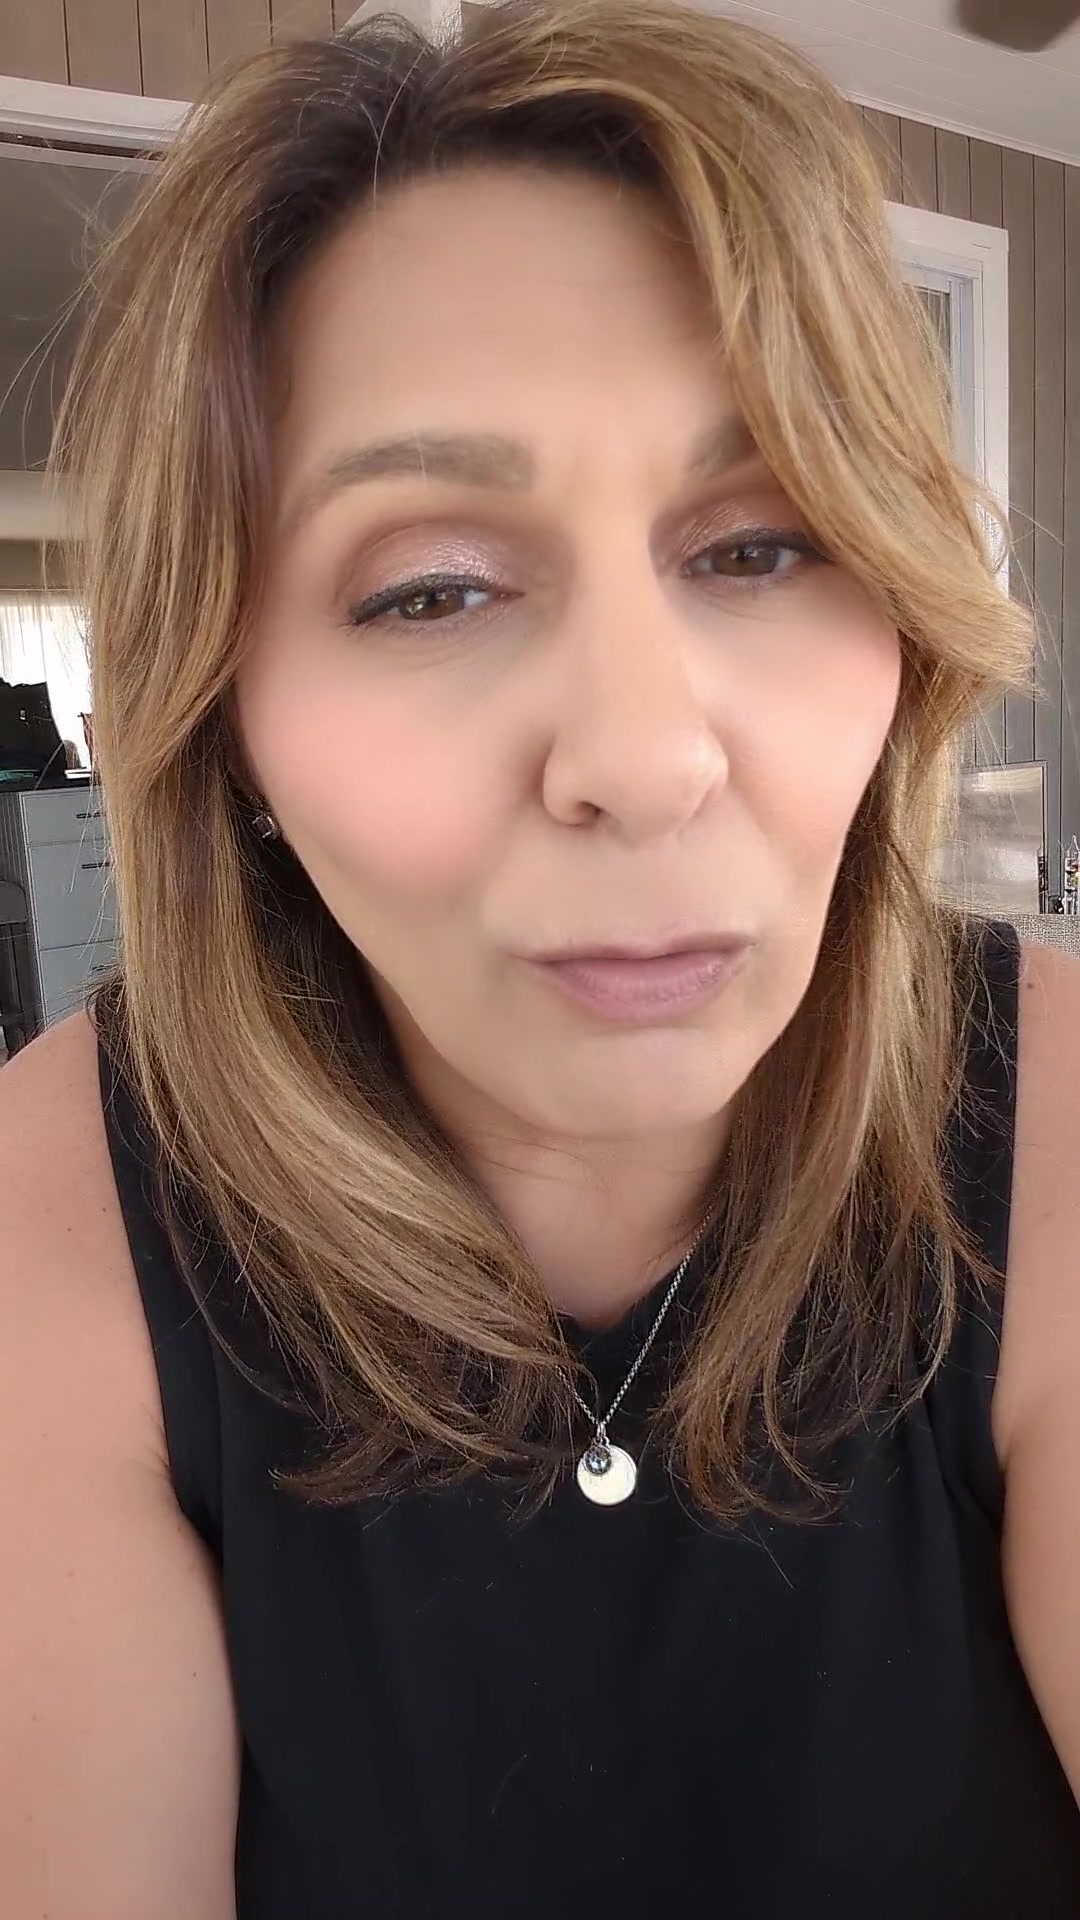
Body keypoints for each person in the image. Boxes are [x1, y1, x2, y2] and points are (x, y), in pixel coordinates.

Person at [4, 2, 1080, 1913]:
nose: (646, 760)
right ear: (226, 723)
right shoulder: (60, 1209)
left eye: (758, 549)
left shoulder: (1055, 1118)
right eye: (432, 588)